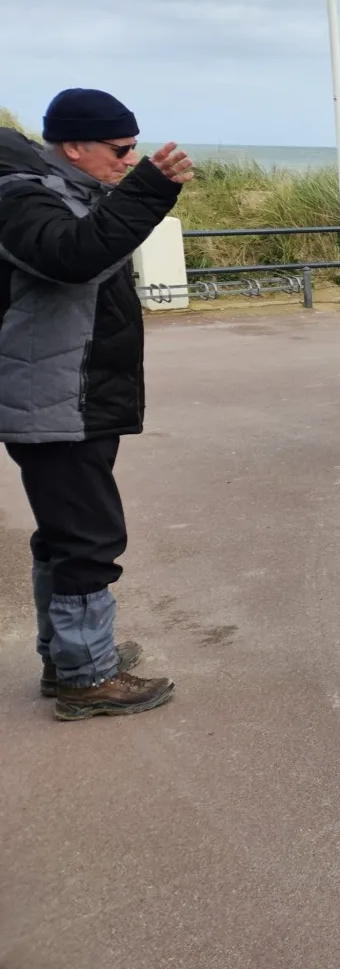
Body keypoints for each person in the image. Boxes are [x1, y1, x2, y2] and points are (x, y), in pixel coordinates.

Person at [0, 90, 195, 720]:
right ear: (74, 147)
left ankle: (70, 658)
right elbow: (74, 257)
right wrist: (148, 190)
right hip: (53, 398)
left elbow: (89, 246)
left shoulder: (64, 191)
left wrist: (133, 191)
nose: (130, 157)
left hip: (65, 394)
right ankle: (86, 678)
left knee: (68, 533)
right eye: (120, 148)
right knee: (87, 538)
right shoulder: (21, 196)